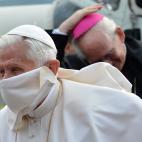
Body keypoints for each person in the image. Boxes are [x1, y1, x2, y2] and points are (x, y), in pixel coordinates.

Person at [1, 25, 142, 142]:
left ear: (51, 68)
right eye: (1, 71)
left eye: (16, 69)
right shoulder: (2, 120)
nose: (6, 79)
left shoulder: (109, 109)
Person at [58, 9, 142, 98]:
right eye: (98, 61)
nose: (108, 64)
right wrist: (61, 31)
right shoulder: (80, 66)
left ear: (120, 34)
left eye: (109, 54)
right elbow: (51, 74)